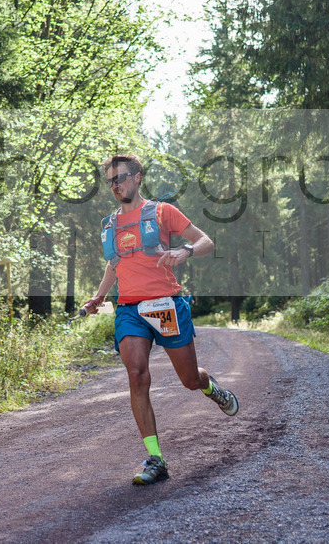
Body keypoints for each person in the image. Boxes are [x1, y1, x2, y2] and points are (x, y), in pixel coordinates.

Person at [81, 154, 239, 486]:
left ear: (137, 177)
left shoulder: (162, 212)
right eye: (110, 181)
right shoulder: (111, 224)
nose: (115, 185)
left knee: (189, 379)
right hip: (130, 309)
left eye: (121, 178)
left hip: (166, 304)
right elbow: (114, 264)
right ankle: (156, 459)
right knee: (137, 375)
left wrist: (186, 251)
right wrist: (99, 296)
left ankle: (210, 387)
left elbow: (206, 241)